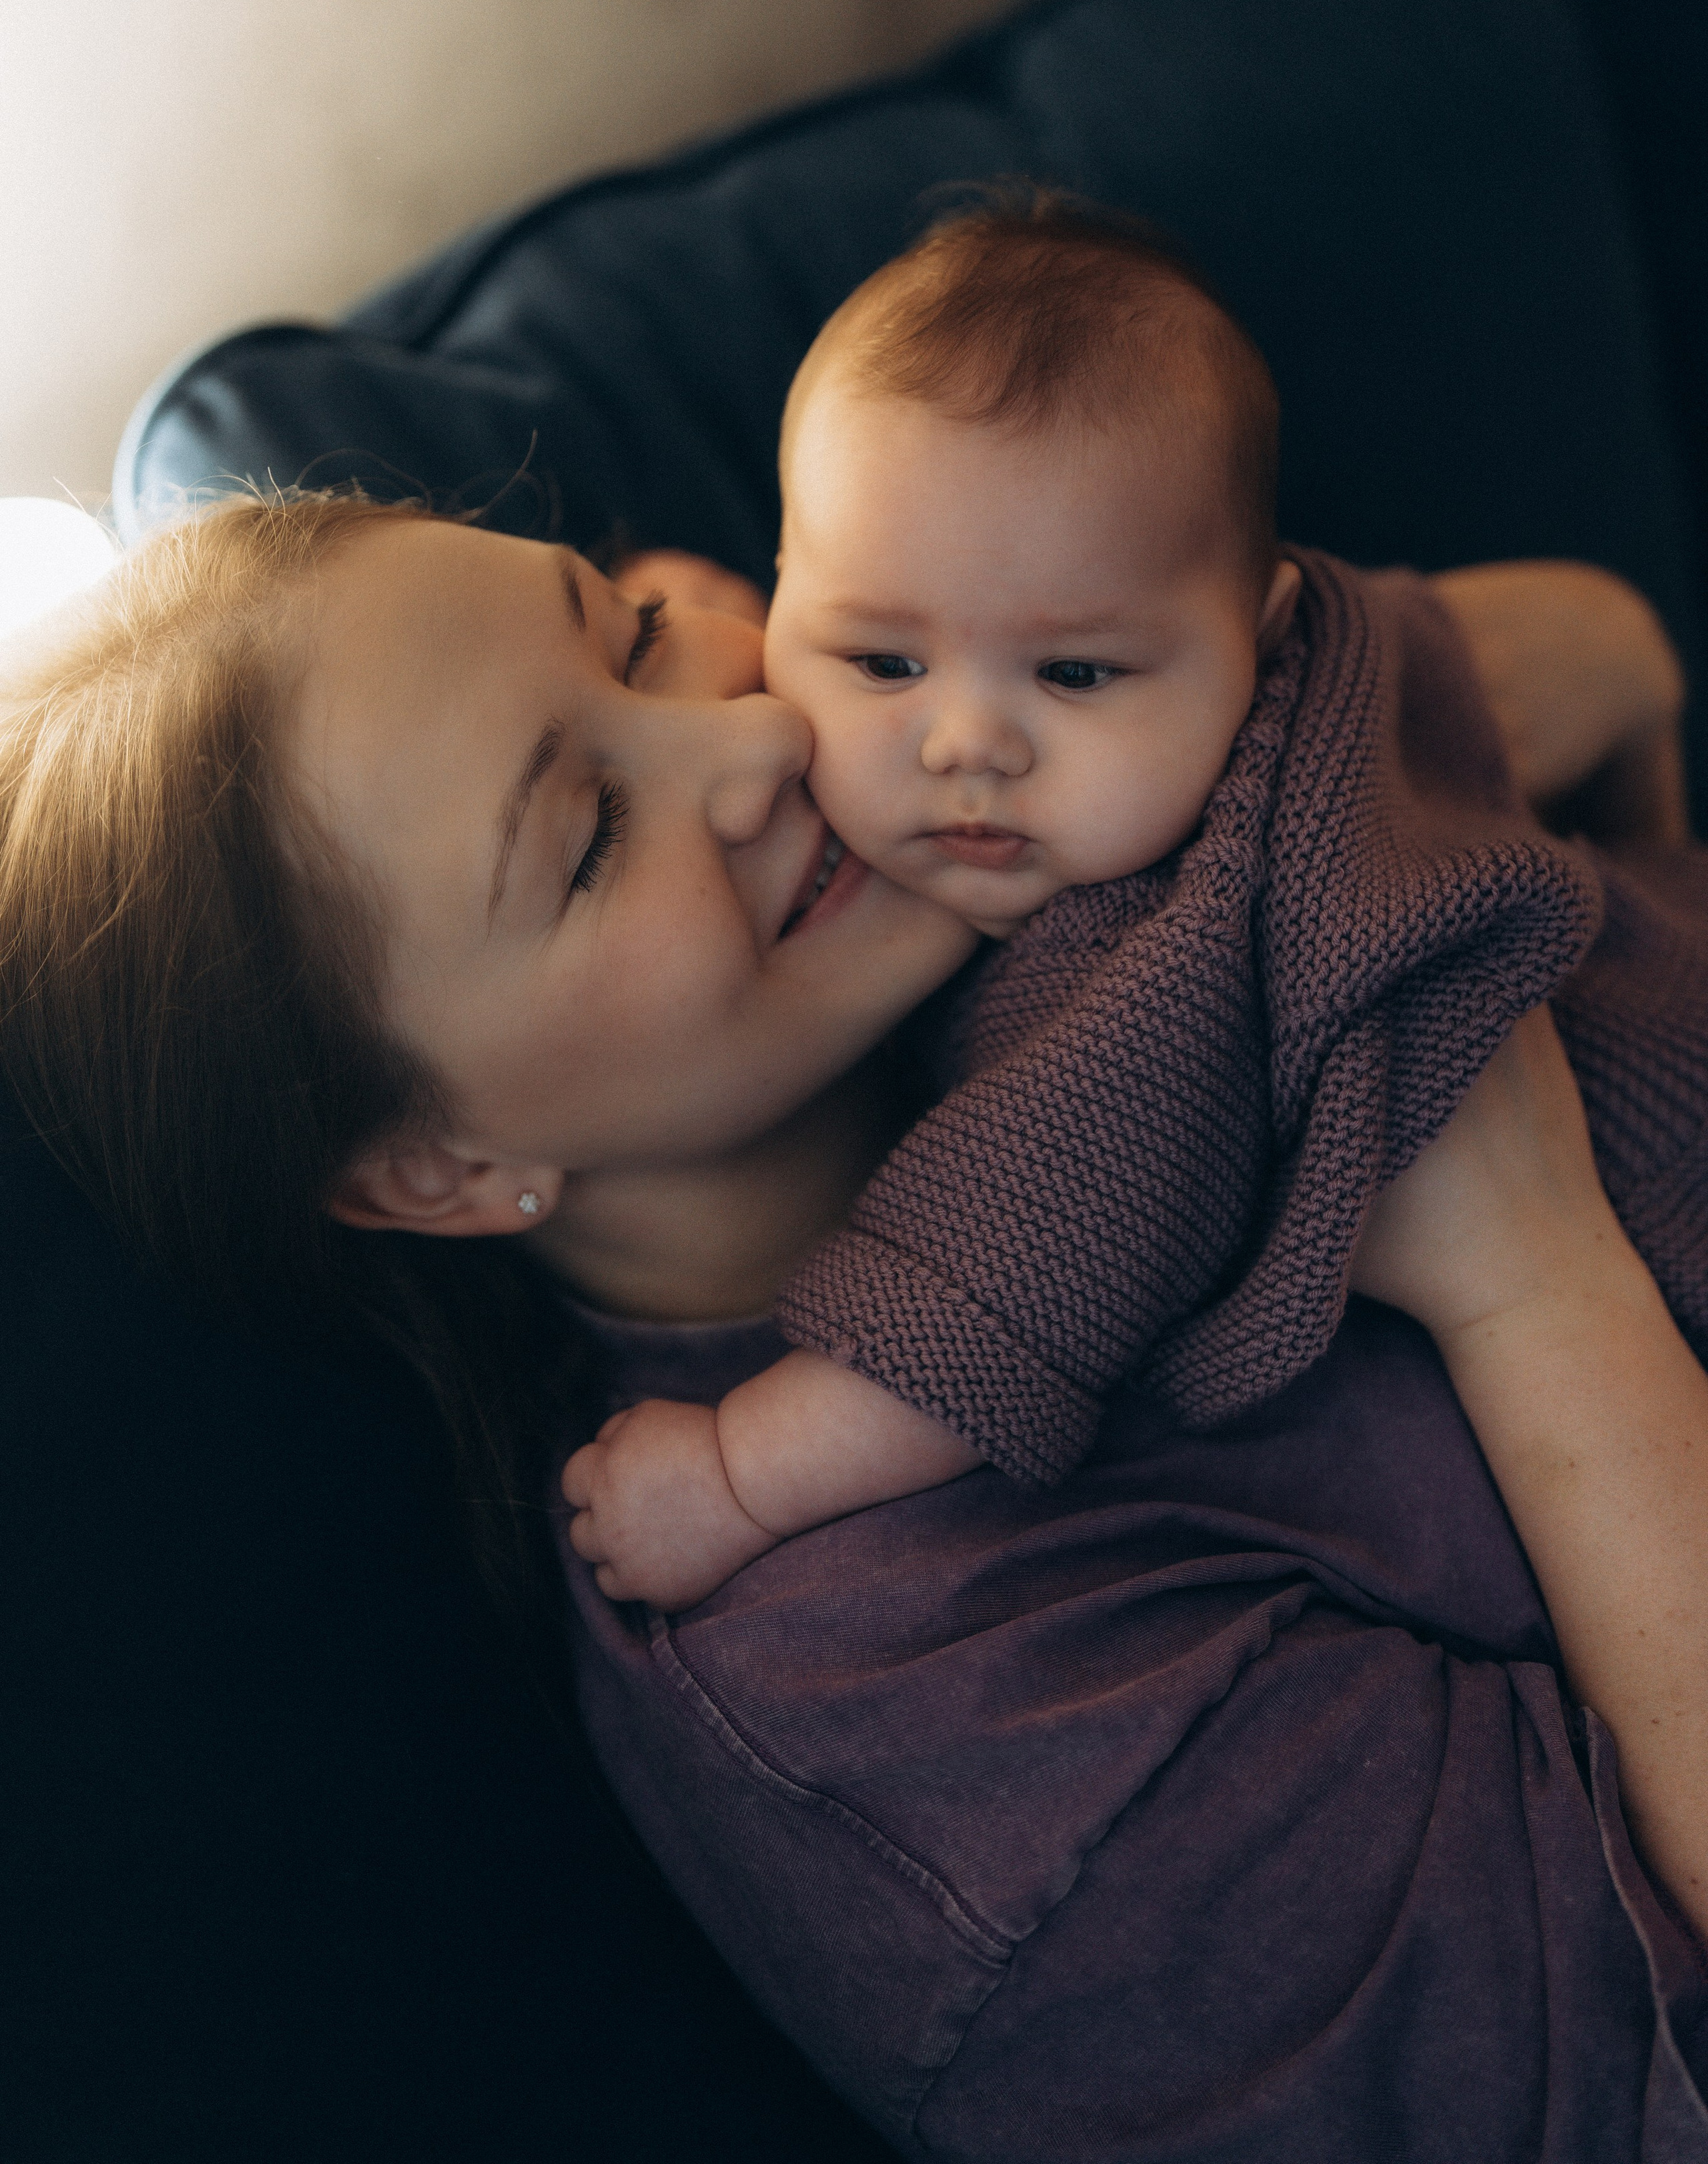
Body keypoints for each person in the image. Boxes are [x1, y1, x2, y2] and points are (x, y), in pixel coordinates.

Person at [2, 492, 1705, 2157]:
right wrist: (1534, 1286)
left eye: (643, 636)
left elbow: (1569, 649)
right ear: (442, 1165)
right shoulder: (924, 1726)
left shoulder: (1006, 794)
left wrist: (1490, 674)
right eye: (589, 835)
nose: (745, 746)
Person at [561, 202, 1706, 1637]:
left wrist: (733, 1474)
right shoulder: (1346, 655)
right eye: (881, 656)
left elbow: (994, 1298)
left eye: (1079, 676)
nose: (966, 743)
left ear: (1259, 637)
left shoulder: (1156, 957)